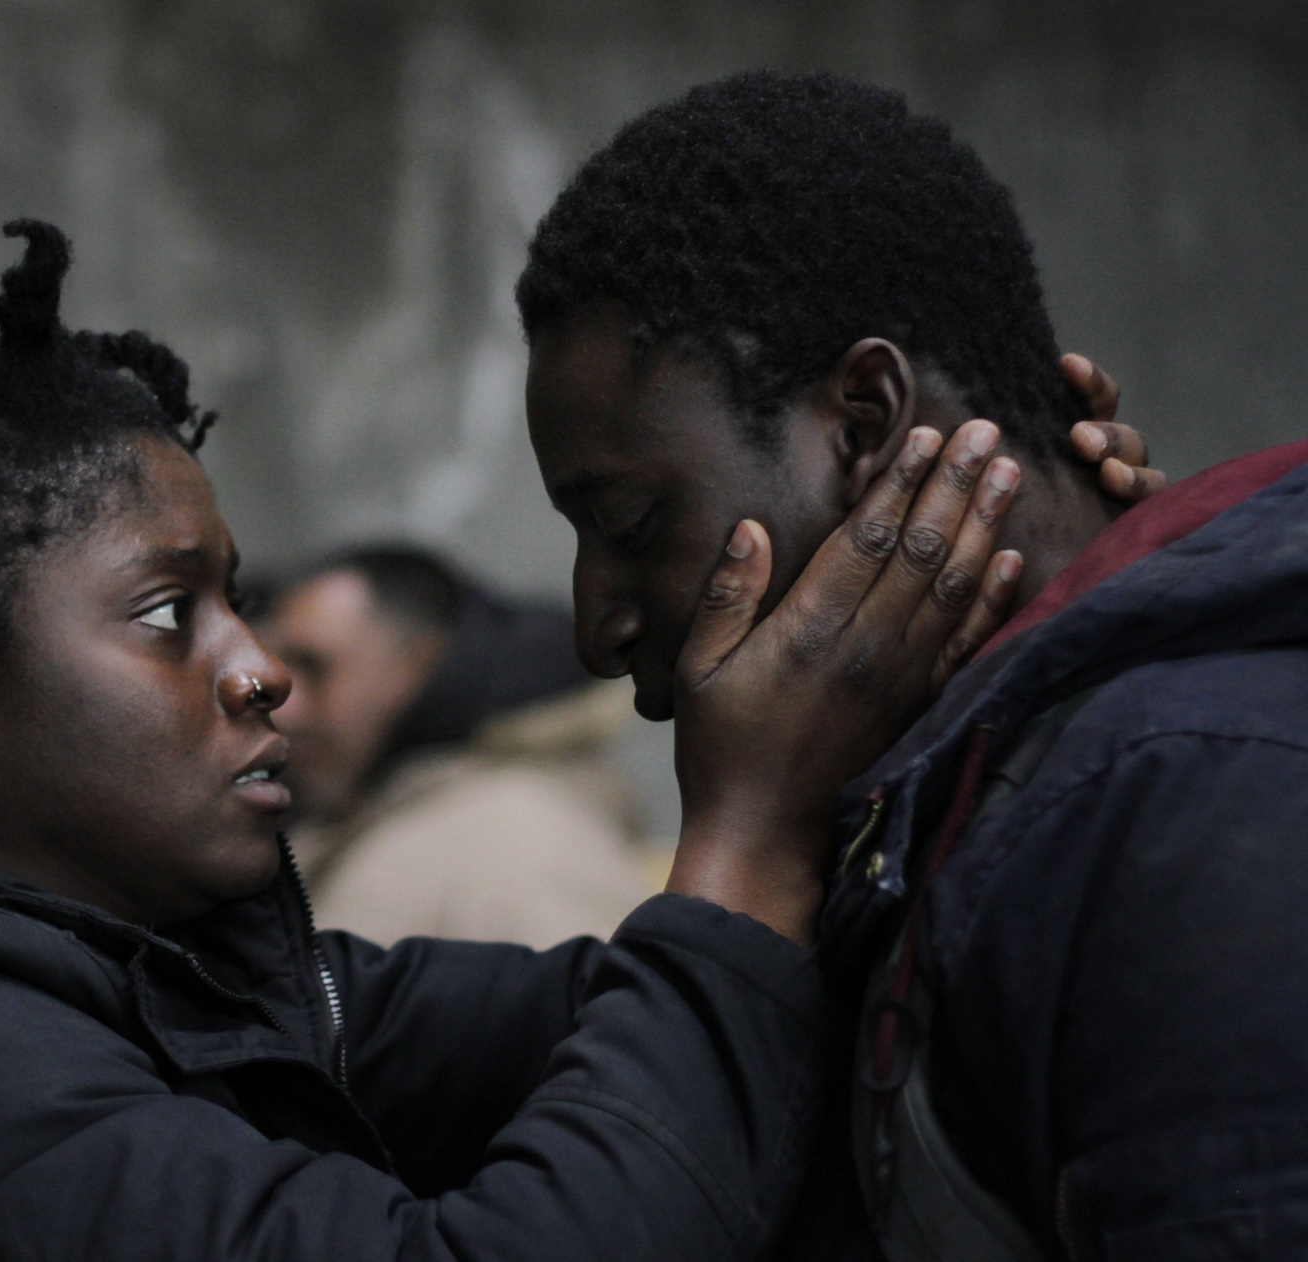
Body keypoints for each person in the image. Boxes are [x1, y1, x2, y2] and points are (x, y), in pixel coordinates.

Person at [0, 220, 1025, 1261]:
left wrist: (974, 650)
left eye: (239, 599)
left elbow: (611, 1022)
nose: (261, 669)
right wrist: (742, 839)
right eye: (171, 616)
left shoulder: (152, 957)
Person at [517, 72, 1307, 1260]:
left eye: (629, 523)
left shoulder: (1188, 800)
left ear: (861, 421)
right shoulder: (955, 802)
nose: (596, 629)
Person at [260, 544, 669, 947]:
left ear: (417, 661)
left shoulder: (515, 839)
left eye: (314, 667)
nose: (284, 711)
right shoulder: (395, 817)